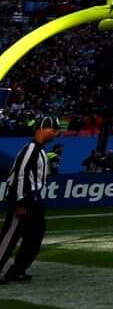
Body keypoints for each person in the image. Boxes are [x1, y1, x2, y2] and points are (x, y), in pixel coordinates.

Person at [0, 115, 62, 283]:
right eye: (54, 130)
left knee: (36, 233)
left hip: (33, 199)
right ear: (44, 128)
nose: (55, 133)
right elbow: (19, 174)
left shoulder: (40, 150)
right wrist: (20, 201)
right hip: (23, 198)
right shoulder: (31, 149)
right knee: (10, 235)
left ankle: (18, 269)